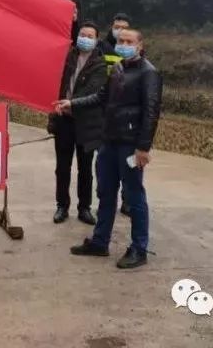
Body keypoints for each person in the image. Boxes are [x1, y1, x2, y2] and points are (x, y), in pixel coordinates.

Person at [56, 27, 162, 269]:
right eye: (120, 40)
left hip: (130, 145)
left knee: (134, 196)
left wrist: (143, 148)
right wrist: (72, 103)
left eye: (129, 41)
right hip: (109, 142)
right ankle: (100, 241)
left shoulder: (149, 73)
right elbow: (100, 97)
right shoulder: (116, 68)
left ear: (140, 45)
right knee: (105, 193)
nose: (123, 44)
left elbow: (151, 113)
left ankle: (139, 248)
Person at [48, 21, 107, 225]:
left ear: (96, 40)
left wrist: (71, 103)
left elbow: (93, 92)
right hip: (63, 121)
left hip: (86, 123)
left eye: (90, 36)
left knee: (85, 168)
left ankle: (84, 208)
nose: (86, 39)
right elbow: (53, 81)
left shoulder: (100, 64)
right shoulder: (67, 56)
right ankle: (61, 206)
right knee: (62, 167)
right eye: (83, 34)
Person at [97, 12, 134, 217]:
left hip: (127, 115)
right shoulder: (101, 47)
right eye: (117, 26)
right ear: (111, 26)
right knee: (104, 160)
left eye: (124, 27)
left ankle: (127, 201)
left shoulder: (132, 51)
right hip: (105, 112)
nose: (120, 30)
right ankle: (105, 195)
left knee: (128, 163)